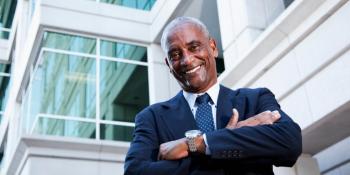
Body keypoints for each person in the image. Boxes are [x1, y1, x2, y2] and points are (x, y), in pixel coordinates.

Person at [124, 17, 302, 175]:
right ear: (168, 64)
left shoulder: (254, 100)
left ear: (213, 47)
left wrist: (195, 144)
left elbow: (290, 143)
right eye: (176, 54)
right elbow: (135, 172)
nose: (187, 60)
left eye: (194, 47)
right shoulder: (152, 118)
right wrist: (228, 142)